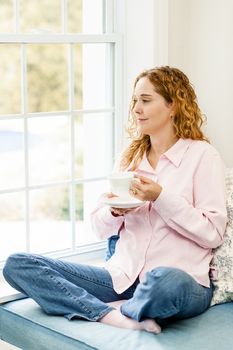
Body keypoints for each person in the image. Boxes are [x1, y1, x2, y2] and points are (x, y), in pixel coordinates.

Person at [3, 66, 227, 334]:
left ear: (173, 106)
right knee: (18, 265)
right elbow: (98, 228)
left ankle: (134, 306)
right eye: (135, 101)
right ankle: (111, 315)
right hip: (121, 277)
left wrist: (160, 197)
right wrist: (115, 213)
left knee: (165, 281)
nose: (136, 109)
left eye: (145, 100)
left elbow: (212, 234)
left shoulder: (203, 156)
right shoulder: (131, 157)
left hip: (181, 280)